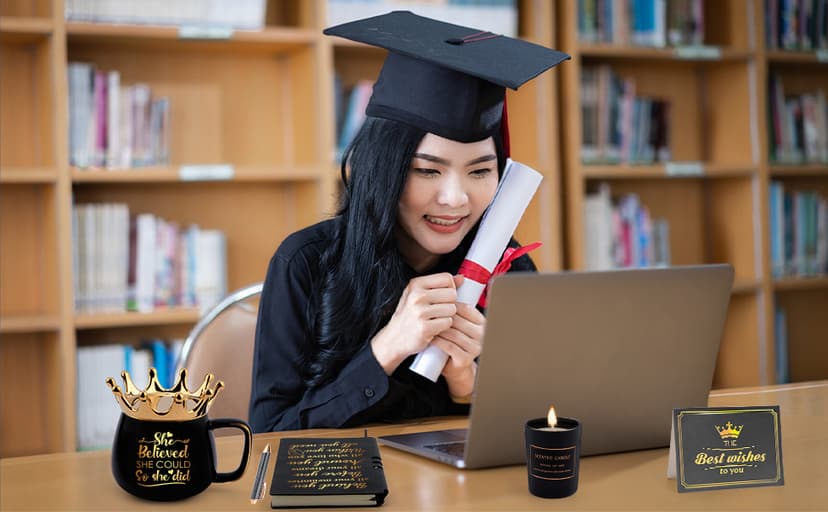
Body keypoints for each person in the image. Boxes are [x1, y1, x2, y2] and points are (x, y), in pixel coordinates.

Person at [249, 11, 569, 432]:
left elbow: (541, 428)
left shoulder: (508, 269)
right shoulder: (306, 263)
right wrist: (387, 349)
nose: (455, 199)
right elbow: (268, 435)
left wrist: (465, 386)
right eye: (427, 171)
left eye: (479, 172)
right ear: (384, 169)